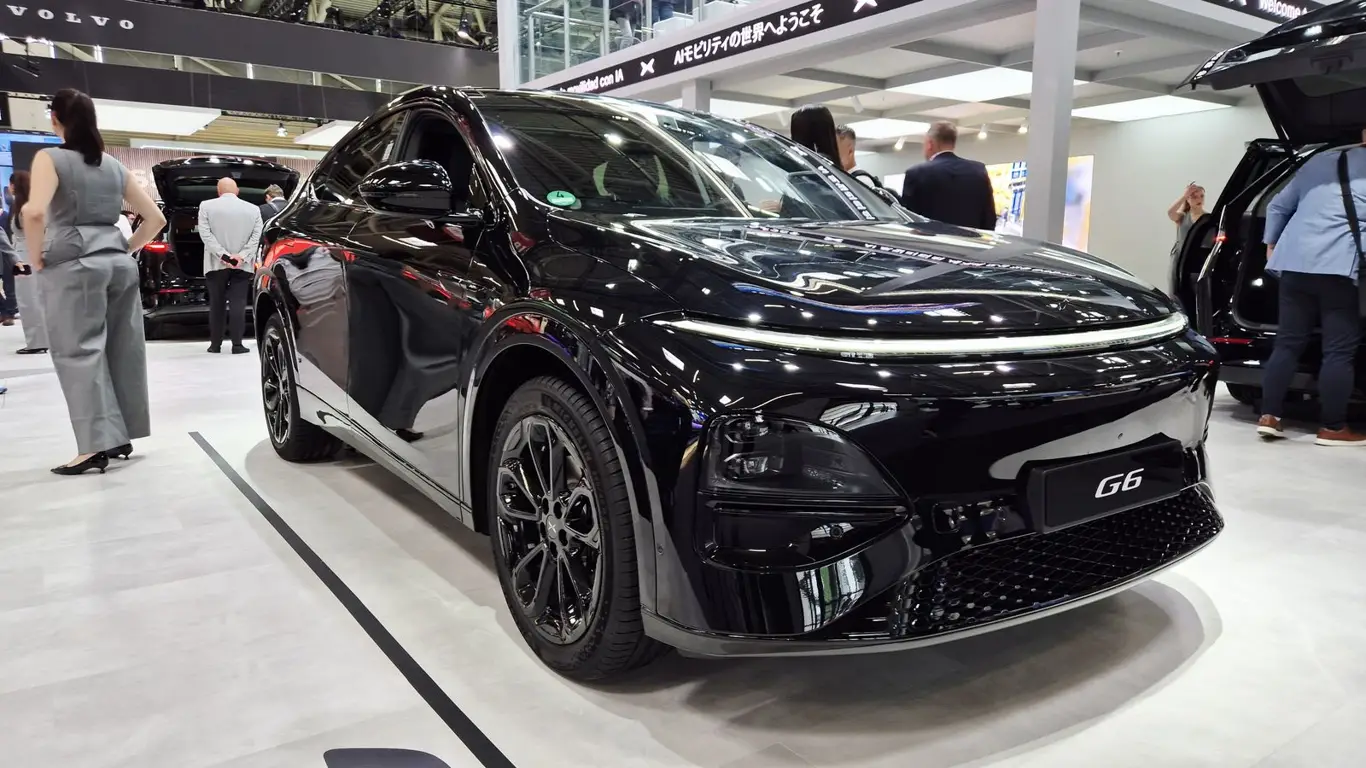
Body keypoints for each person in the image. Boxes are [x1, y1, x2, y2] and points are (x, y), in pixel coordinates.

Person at [22, 88, 166, 475]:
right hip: (117, 262)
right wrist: (124, 249)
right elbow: (156, 219)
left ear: (55, 118)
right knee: (123, 349)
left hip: (73, 263)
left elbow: (34, 212)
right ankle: (121, 435)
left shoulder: (50, 158)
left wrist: (35, 256)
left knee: (78, 352)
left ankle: (92, 447)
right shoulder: (113, 165)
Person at [1257, 130, 1366, 446]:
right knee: (1339, 350)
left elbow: (1277, 205)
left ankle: (1269, 416)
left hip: (1294, 263)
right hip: (1338, 267)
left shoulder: (1318, 161)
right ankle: (1333, 428)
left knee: (1287, 343)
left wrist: (1271, 244)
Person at [199, 177, 262, 354]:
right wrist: (241, 256)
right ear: (237, 191)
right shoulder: (253, 209)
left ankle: (215, 345)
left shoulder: (206, 206)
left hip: (215, 263)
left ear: (218, 192)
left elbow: (205, 235)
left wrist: (223, 256)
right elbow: (256, 237)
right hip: (243, 265)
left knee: (216, 304)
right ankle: (237, 345)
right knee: (238, 304)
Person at [899, 121, 996, 230]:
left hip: (931, 238)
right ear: (953, 143)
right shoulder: (978, 170)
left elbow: (908, 218)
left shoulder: (916, 173)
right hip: (970, 239)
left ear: (930, 144)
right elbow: (989, 217)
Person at [9, 170, 46, 354]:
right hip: (26, 256)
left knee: (29, 300)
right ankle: (40, 340)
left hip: (26, 258)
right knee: (33, 300)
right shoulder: (26, 207)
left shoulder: (25, 209)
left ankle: (37, 342)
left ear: (14, 186)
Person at [1168, 182, 1206, 258]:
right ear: (1187, 199)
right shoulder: (1183, 216)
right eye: (1194, 197)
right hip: (1181, 259)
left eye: (1202, 196)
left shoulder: (1207, 217)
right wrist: (1185, 196)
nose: (1199, 199)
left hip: (1198, 258)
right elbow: (1170, 213)